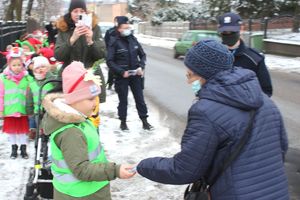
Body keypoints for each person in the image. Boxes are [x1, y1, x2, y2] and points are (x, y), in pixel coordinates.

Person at [136, 40, 289, 200]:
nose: (188, 81)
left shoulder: (205, 111)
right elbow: (281, 148)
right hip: (277, 192)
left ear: (204, 74)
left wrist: (143, 165)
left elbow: (184, 170)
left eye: (190, 74)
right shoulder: (266, 101)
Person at [41, 61, 135, 199]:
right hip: (81, 194)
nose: (95, 103)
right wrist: (115, 170)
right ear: (73, 100)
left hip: (88, 190)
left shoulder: (79, 120)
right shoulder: (71, 132)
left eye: (96, 97)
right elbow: (81, 169)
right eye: (90, 99)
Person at [106, 16, 153, 131]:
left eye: (129, 27)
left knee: (140, 99)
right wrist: (122, 72)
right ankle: (123, 122)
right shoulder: (114, 42)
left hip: (136, 75)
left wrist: (141, 67)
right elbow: (110, 61)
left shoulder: (133, 39)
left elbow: (143, 55)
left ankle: (145, 121)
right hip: (122, 77)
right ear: (119, 29)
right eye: (125, 27)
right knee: (123, 101)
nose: (128, 29)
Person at [55, 0, 106, 103]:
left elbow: (102, 55)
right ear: (70, 13)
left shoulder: (94, 28)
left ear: (85, 13)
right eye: (75, 11)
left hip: (90, 76)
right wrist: (72, 40)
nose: (78, 14)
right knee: (72, 112)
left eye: (82, 11)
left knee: (91, 113)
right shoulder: (63, 29)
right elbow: (58, 55)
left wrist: (91, 41)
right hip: (70, 78)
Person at [217, 12, 273, 97]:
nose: (228, 34)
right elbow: (201, 82)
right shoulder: (214, 55)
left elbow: (266, 91)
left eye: (232, 31)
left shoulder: (254, 59)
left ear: (241, 29)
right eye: (224, 32)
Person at [0, 47, 34, 159]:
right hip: (9, 110)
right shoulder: (3, 78)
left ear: (23, 65)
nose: (17, 67)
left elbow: (32, 90)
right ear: (9, 65)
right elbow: (1, 95)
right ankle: (13, 149)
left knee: (23, 132)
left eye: (19, 65)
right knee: (12, 132)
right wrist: (1, 110)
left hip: (22, 109)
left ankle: (23, 149)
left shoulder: (27, 78)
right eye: (14, 65)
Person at [104, 16, 119, 90]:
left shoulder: (122, 31)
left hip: (120, 54)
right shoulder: (110, 31)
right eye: (115, 21)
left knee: (119, 70)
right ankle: (110, 83)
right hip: (111, 53)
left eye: (118, 21)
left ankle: (117, 85)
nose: (116, 22)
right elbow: (105, 42)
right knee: (112, 70)